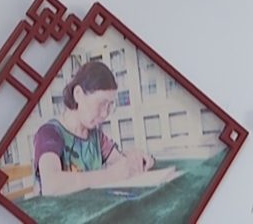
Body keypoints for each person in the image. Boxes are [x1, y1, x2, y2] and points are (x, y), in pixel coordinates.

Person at [31, 59, 175, 197]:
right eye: (101, 103)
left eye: (110, 105)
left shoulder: (95, 136)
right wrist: (110, 175)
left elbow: (120, 161)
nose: (105, 113)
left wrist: (137, 159)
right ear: (78, 94)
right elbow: (51, 185)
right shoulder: (49, 134)